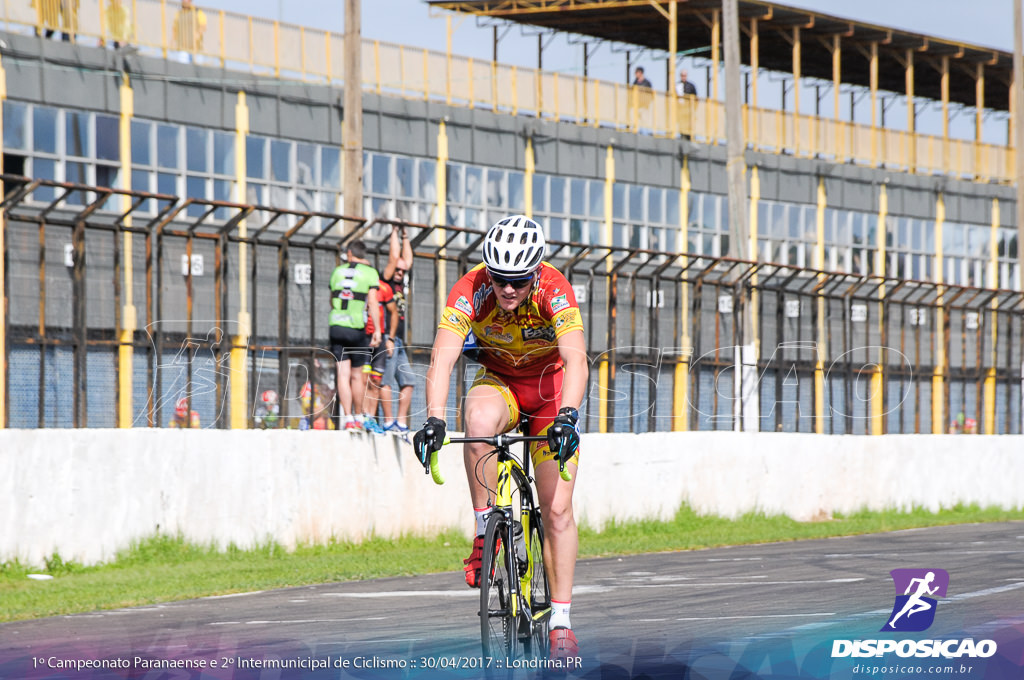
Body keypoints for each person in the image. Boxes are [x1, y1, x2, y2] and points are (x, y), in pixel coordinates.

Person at [413, 215, 588, 663]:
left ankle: (562, 623)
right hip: (502, 382)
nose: (509, 289)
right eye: (501, 279)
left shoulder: (555, 289)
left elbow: (576, 359)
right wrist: (433, 419)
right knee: (476, 420)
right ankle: (483, 530)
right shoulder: (471, 288)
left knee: (558, 509)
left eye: (519, 280)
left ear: (535, 272)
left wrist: (567, 416)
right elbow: (443, 357)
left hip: (550, 390)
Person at [329, 239, 382, 432]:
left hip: (336, 325)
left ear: (350, 253)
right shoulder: (369, 273)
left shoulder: (337, 271)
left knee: (342, 374)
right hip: (357, 327)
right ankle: (359, 416)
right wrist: (376, 329)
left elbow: (331, 299)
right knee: (357, 376)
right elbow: (373, 303)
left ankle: (347, 418)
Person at [380, 225, 416, 435]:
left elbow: (406, 261)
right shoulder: (385, 281)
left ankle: (401, 423)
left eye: (402, 271)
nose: (400, 272)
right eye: (397, 270)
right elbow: (395, 258)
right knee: (386, 381)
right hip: (388, 337)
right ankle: (388, 421)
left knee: (408, 381)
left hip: (399, 340)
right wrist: (393, 232)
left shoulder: (401, 284)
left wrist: (405, 235)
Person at [361, 278, 397, 435]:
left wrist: (391, 338)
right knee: (362, 379)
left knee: (376, 380)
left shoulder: (384, 288)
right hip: (362, 337)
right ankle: (361, 416)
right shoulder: (359, 285)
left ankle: (369, 418)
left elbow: (394, 312)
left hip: (380, 338)